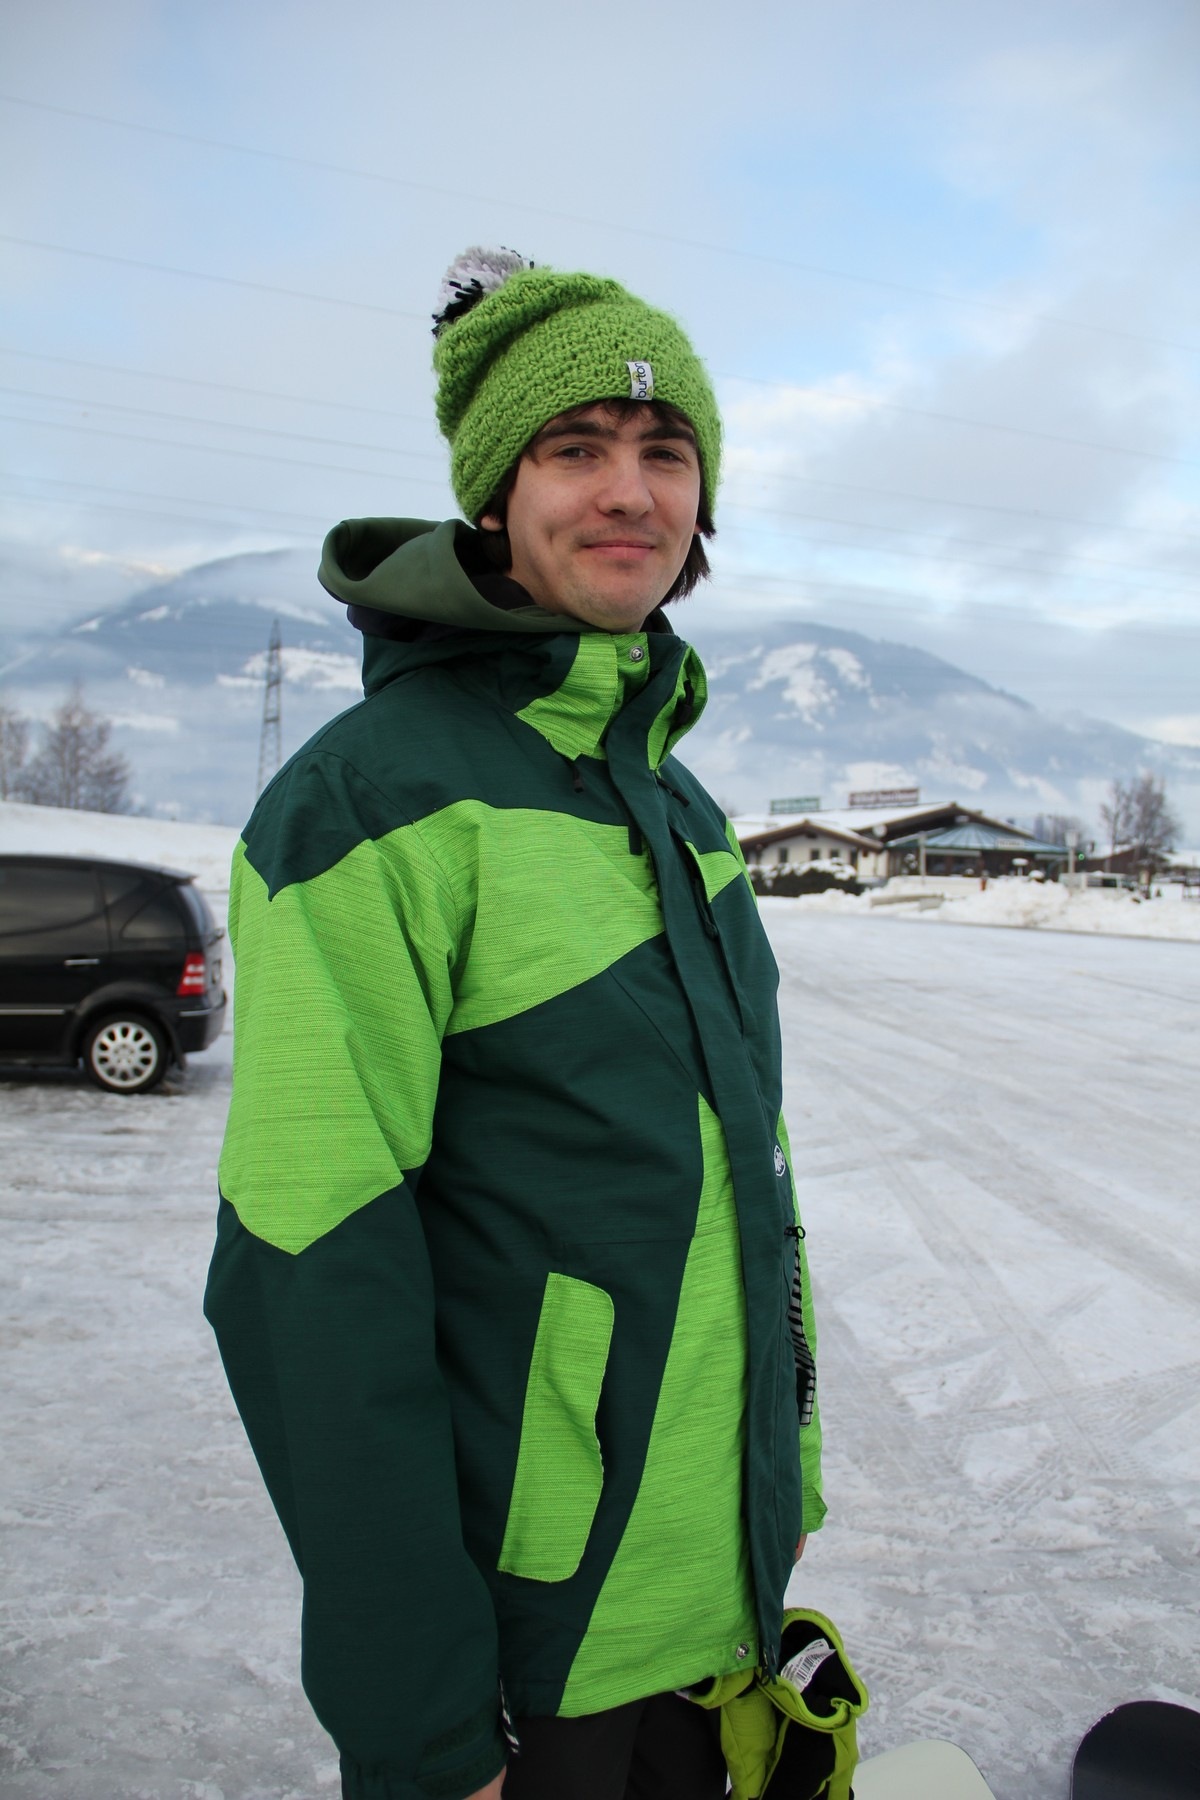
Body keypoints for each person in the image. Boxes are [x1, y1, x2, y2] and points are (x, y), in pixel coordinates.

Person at [205, 247, 825, 1800]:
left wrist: (768, 1507)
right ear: (494, 497)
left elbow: (724, 1196)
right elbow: (307, 1272)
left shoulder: (676, 802)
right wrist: (417, 1719)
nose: (628, 490)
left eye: (664, 451)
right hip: (529, 1646)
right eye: (575, 449)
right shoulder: (370, 802)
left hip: (711, 1605)